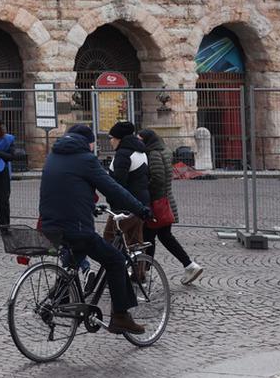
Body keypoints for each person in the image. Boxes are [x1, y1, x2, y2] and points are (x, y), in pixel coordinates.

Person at [38, 124, 152, 336]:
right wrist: (141, 209)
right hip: (76, 227)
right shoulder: (86, 159)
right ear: (88, 142)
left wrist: (90, 207)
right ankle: (120, 317)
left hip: (50, 226)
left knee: (73, 261)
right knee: (115, 260)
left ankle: (59, 300)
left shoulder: (53, 156)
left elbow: (67, 190)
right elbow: (113, 188)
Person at [139, 128, 203, 285]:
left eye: (140, 139)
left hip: (157, 203)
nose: (138, 142)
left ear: (147, 140)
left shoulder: (153, 154)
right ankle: (189, 265)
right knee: (163, 236)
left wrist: (144, 190)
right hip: (165, 201)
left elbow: (158, 178)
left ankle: (143, 272)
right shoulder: (164, 151)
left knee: (149, 236)